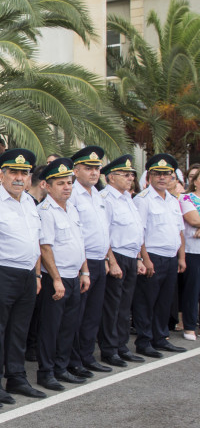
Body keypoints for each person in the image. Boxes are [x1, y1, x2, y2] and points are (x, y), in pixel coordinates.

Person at [0, 148, 46, 403]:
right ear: (3, 174)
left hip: (27, 274)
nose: (19, 178)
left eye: (24, 173)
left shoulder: (30, 202)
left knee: (19, 329)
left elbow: (35, 241)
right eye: (14, 172)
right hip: (2, 272)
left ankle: (17, 377)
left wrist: (38, 275)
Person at [36, 158, 91, 391]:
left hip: (73, 275)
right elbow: (45, 248)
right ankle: (46, 372)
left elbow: (80, 243)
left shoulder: (72, 209)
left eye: (69, 182)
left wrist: (85, 271)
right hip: (55, 279)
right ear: (47, 186)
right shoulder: (46, 211)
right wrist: (57, 279)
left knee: (69, 326)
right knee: (51, 327)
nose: (67, 187)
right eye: (60, 183)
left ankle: (62, 367)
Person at [66, 147, 118, 376]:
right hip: (81, 264)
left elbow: (103, 231)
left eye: (96, 168)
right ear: (76, 171)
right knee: (77, 314)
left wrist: (108, 259)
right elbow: (75, 233)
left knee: (93, 313)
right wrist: (84, 267)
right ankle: (73, 360)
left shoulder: (98, 194)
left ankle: (87, 356)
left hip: (98, 261)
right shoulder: (72, 194)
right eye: (88, 168)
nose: (94, 173)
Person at [133, 154, 187, 357]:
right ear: (149, 177)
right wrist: (145, 259)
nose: (162, 178)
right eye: (157, 174)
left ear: (173, 177)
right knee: (146, 300)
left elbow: (179, 231)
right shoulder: (143, 200)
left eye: (167, 174)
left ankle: (160, 337)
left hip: (171, 256)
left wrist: (181, 257)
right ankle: (144, 340)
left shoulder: (173, 200)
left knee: (165, 301)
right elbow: (140, 232)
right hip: (153, 256)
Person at [98, 155, 145, 366]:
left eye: (132, 174)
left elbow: (135, 231)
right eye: (125, 175)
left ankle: (121, 345)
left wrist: (139, 258)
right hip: (116, 255)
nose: (130, 178)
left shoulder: (127, 197)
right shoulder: (105, 198)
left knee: (125, 305)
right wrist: (112, 261)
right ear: (111, 177)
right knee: (112, 306)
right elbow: (104, 233)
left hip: (130, 256)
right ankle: (109, 348)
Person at [177, 178, 200, 340]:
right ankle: (189, 326)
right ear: (196, 181)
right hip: (193, 251)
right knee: (192, 289)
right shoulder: (186, 198)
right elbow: (193, 220)